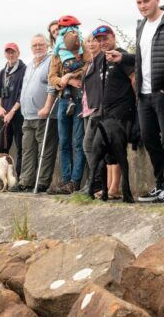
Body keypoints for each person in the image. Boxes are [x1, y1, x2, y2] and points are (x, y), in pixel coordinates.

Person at [110, 0, 164, 203]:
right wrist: (123, 58)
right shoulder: (142, 25)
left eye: (146, 1)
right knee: (149, 138)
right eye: (138, 2)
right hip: (144, 95)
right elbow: (142, 57)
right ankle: (160, 185)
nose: (142, 6)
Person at [90, 25, 137, 199]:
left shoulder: (122, 55)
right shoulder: (103, 58)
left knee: (117, 148)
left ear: (113, 37)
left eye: (105, 38)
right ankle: (109, 186)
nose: (102, 42)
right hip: (108, 111)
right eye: (99, 40)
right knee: (108, 149)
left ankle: (115, 187)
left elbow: (133, 79)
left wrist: (137, 105)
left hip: (123, 109)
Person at [48, 15, 91, 194]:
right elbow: (51, 78)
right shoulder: (56, 54)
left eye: (60, 30)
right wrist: (64, 80)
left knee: (78, 142)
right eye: (55, 32)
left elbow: (88, 65)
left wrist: (72, 76)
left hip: (80, 98)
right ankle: (65, 181)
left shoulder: (82, 47)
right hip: (64, 99)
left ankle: (75, 181)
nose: (58, 33)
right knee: (64, 142)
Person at [12, 34, 58, 193]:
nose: (38, 47)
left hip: (43, 114)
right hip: (28, 115)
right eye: (34, 45)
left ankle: (42, 181)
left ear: (47, 46)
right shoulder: (30, 65)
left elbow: (53, 86)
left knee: (45, 150)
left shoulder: (51, 61)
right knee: (27, 150)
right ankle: (26, 180)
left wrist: (47, 107)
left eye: (41, 44)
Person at [0, 42, 26, 177]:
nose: (10, 54)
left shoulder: (24, 69)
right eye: (8, 52)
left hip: (18, 115)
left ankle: (18, 177)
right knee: (2, 148)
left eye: (13, 52)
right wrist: (0, 108)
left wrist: (12, 111)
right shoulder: (2, 72)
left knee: (21, 147)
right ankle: (2, 178)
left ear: (18, 53)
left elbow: (22, 94)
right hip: (4, 115)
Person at [79, 34, 102, 194]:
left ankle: (96, 181)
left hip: (98, 109)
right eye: (88, 41)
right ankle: (93, 181)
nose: (92, 44)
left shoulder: (102, 60)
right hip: (87, 109)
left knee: (88, 145)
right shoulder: (89, 63)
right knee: (90, 146)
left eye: (95, 40)